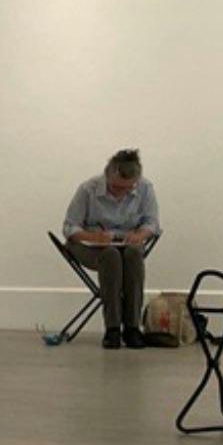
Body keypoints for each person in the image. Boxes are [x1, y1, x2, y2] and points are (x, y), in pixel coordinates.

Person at [62, 148, 161, 349]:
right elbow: (69, 227)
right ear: (107, 175)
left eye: (127, 188)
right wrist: (92, 237)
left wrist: (140, 235)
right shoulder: (88, 189)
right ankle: (112, 328)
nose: (120, 193)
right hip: (90, 246)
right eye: (115, 187)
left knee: (133, 254)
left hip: (127, 244)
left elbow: (152, 223)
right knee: (111, 256)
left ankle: (132, 328)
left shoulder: (145, 188)